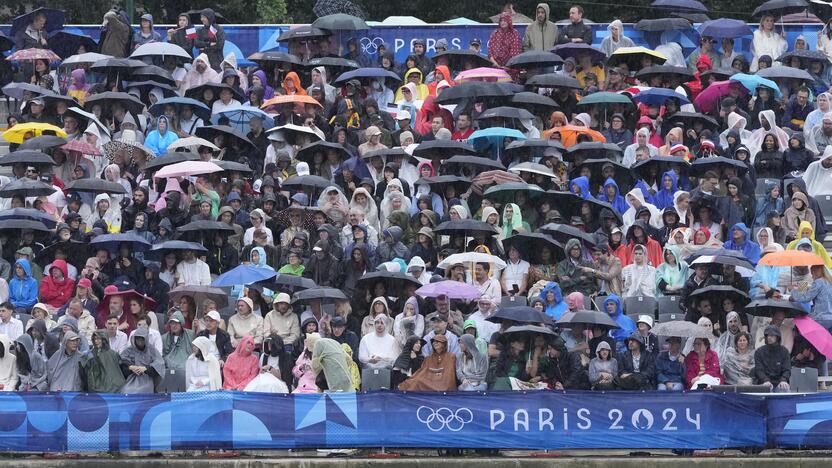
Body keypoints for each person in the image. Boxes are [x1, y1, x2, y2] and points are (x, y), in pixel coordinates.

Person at [119, 326, 165, 393]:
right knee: (126, 390)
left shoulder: (152, 350)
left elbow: (159, 364)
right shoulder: (129, 350)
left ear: (146, 339)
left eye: (142, 339)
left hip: (146, 378)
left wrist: (146, 368)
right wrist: (130, 367)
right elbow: (122, 361)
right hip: (131, 378)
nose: (140, 342)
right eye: (138, 339)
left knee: (145, 390)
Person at [754, 326, 792, 392]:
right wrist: (765, 380)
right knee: (765, 389)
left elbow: (787, 369)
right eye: (767, 335)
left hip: (780, 382)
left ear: (777, 337)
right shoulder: (759, 352)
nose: (769, 337)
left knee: (784, 389)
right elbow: (759, 370)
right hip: (764, 382)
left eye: (772, 335)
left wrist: (783, 380)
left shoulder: (784, 351)